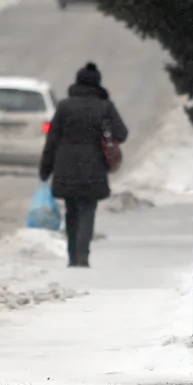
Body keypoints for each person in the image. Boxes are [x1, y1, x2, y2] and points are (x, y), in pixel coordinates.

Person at [40, 62, 128, 268]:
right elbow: (122, 133)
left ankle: (72, 257)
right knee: (88, 209)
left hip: (66, 165)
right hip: (93, 165)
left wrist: (45, 168)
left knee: (71, 210)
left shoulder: (64, 106)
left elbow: (52, 140)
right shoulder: (104, 107)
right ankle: (82, 256)